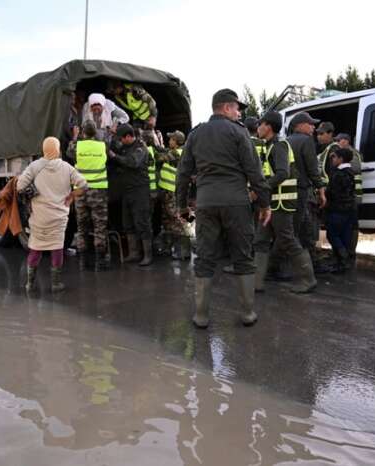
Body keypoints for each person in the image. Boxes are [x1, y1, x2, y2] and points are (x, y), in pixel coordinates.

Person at [176, 89, 271, 328]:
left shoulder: (195, 134)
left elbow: (183, 173)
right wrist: (265, 203)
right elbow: (254, 172)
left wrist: (181, 205)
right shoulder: (239, 132)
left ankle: (201, 316)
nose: (239, 113)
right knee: (243, 256)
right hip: (236, 203)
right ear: (226, 107)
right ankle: (247, 313)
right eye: (237, 108)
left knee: (205, 257)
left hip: (206, 203)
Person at [253, 111, 317, 293]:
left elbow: (283, 173)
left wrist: (261, 188)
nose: (258, 128)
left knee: (288, 239)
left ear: (268, 126)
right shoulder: (269, 146)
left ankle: (308, 279)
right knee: (261, 240)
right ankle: (256, 283)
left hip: (281, 203)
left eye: (260, 124)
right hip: (270, 203)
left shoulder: (279, 145)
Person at [17, 137, 87, 292]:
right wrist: (72, 195)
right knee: (57, 248)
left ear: (44, 149)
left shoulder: (35, 166)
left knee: (36, 248)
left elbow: (20, 186)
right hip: (59, 217)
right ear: (58, 149)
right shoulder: (67, 168)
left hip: (39, 217)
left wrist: (32, 191)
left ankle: (30, 284)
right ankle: (55, 284)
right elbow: (83, 184)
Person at [287, 112, 327, 272]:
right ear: (299, 125)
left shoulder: (286, 141)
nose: (313, 128)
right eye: (310, 124)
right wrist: (321, 190)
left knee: (296, 228)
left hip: (288, 191)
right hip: (302, 191)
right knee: (303, 229)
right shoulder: (306, 141)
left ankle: (306, 264)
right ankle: (302, 266)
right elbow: (312, 169)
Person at [109, 123, 153, 266]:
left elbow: (133, 162)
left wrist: (114, 156)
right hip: (127, 191)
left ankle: (147, 255)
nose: (120, 141)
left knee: (142, 222)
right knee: (127, 223)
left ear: (128, 136)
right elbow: (116, 147)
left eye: (122, 138)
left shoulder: (140, 148)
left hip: (140, 190)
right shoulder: (125, 147)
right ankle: (134, 253)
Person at [72, 120, 111, 271]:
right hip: (98, 192)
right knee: (99, 226)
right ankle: (99, 262)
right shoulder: (102, 146)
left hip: (80, 192)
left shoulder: (76, 146)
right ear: (95, 132)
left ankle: (83, 262)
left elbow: (69, 153)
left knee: (82, 227)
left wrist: (75, 137)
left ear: (82, 132)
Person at [156, 130, 190, 260]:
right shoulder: (175, 151)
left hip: (172, 191)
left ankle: (184, 251)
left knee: (177, 219)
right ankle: (168, 248)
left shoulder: (176, 153)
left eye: (171, 139)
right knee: (167, 220)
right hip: (167, 191)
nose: (169, 141)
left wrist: (153, 147)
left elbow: (159, 158)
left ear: (176, 142)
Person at [325, 148, 357, 272]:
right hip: (350, 209)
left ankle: (342, 259)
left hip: (337, 209)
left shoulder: (338, 174)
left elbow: (331, 192)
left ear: (341, 159)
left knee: (332, 234)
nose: (333, 159)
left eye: (335, 157)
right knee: (345, 235)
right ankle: (343, 262)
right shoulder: (351, 172)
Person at [335, 133, 364, 256]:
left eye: (338, 140)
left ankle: (350, 252)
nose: (337, 143)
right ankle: (348, 251)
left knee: (352, 224)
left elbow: (356, 168)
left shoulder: (352, 153)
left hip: (353, 195)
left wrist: (341, 166)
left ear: (346, 141)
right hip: (351, 194)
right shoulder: (348, 152)